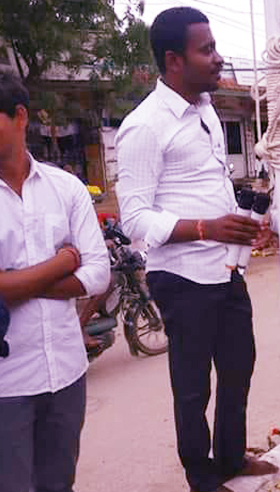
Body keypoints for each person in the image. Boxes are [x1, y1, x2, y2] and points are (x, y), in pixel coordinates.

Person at [115, 7, 277, 492]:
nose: (218, 57)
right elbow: (135, 218)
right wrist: (208, 227)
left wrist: (244, 226)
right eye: (206, 50)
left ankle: (229, 457)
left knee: (239, 366)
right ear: (174, 60)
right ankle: (200, 477)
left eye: (215, 47)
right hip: (182, 277)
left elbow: (208, 184)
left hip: (225, 269)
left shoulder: (205, 107)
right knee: (192, 386)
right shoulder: (144, 126)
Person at [0, 70, 110, 492]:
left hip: (65, 371)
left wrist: (17, 284)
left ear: (20, 116)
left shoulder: (66, 189)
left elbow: (97, 273)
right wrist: (61, 263)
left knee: (59, 483)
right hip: (7, 382)